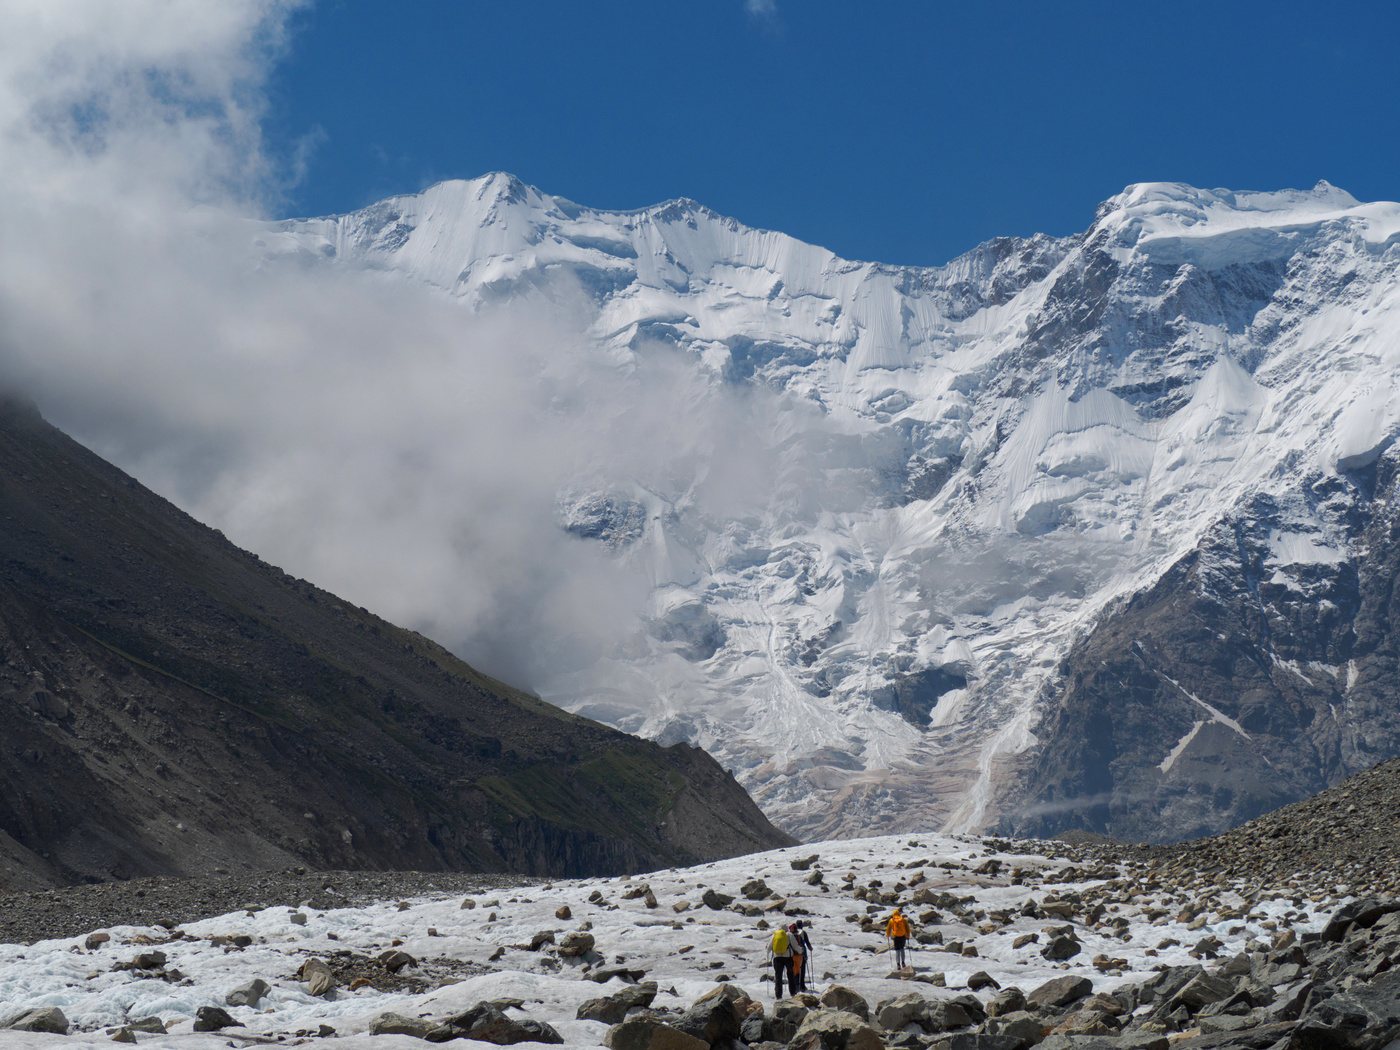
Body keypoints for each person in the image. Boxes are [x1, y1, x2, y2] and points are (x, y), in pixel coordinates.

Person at [766, 923, 793, 998]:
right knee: (790, 974)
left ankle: (778, 995)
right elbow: (795, 945)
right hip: (788, 957)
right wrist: (800, 951)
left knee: (778, 976)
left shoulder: (775, 934)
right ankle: (793, 992)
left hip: (777, 957)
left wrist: (767, 953)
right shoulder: (789, 934)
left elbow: (769, 947)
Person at [790, 921, 814, 991]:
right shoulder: (803, 932)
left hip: (793, 953)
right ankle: (802, 986)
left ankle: (796, 985)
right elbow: (807, 943)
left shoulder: (793, 933)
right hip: (803, 953)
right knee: (802, 969)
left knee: (795, 969)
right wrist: (810, 948)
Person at [788, 922, 806, 992]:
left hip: (791, 955)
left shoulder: (790, 936)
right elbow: (803, 945)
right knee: (798, 970)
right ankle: (798, 986)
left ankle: (794, 987)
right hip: (799, 955)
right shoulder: (799, 936)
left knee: (793, 971)